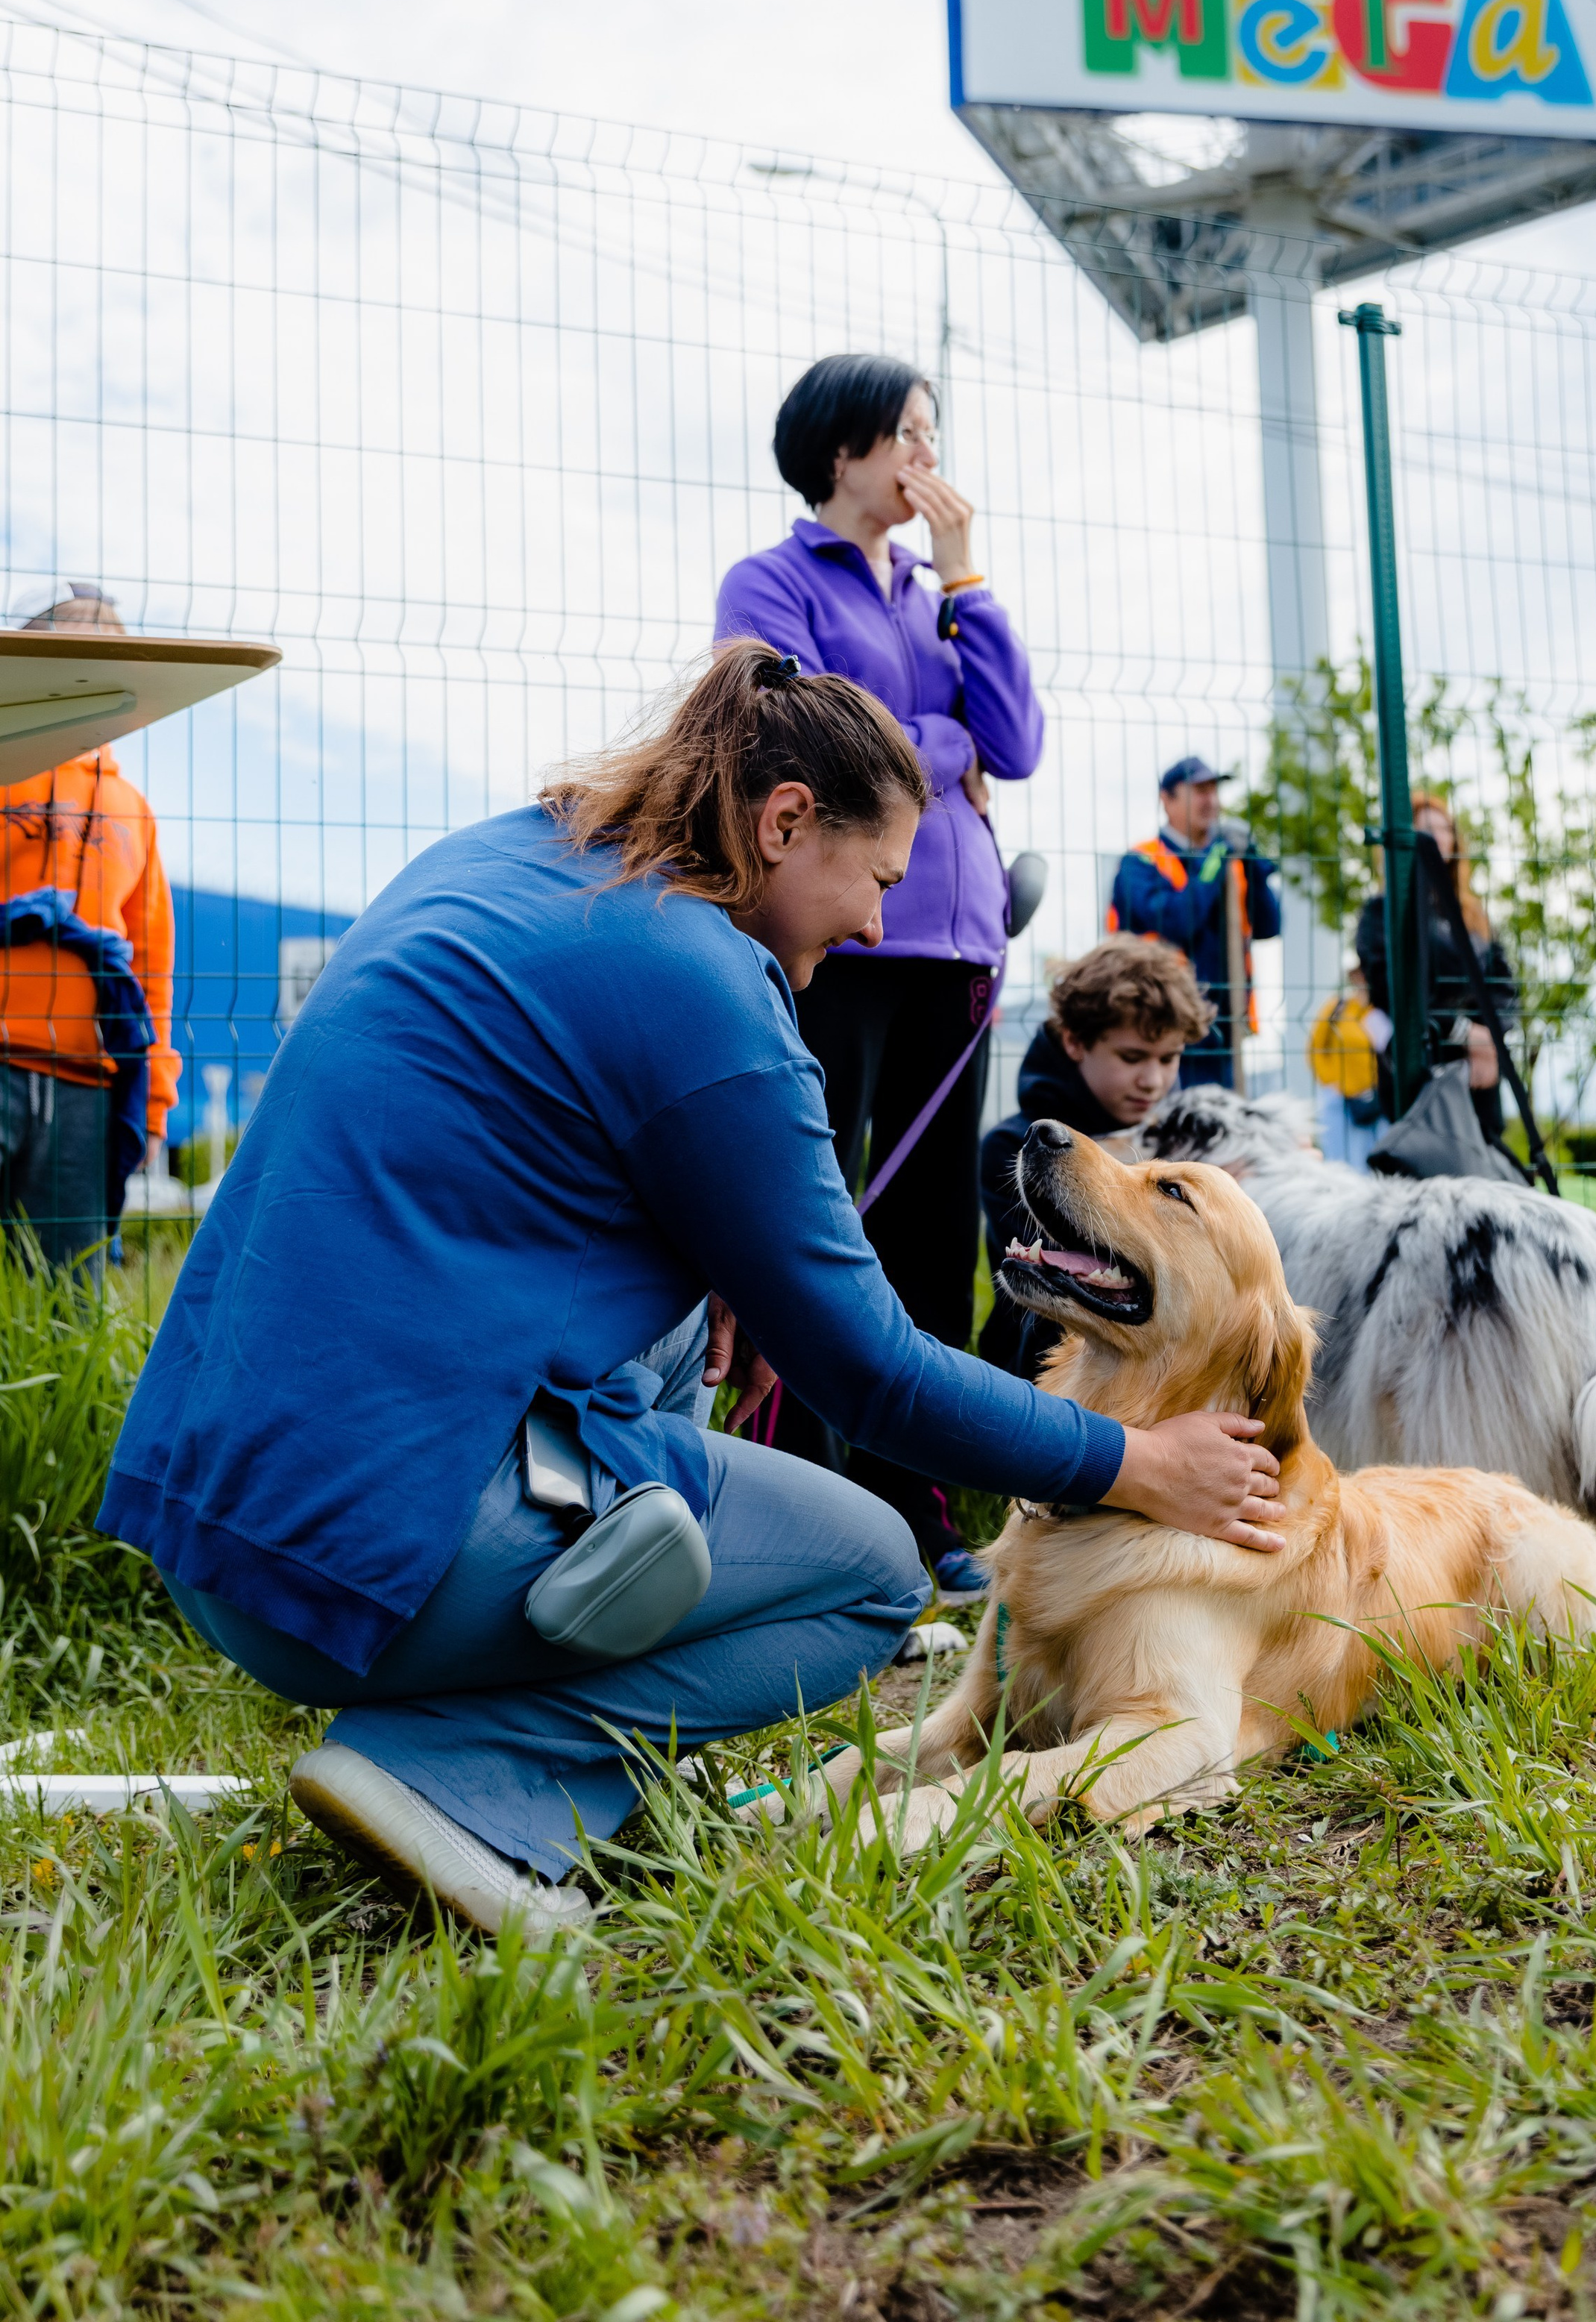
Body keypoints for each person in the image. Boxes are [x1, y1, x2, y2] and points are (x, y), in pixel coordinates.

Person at [97, 641, 1285, 1938]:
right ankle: (467, 1778)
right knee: (872, 1575)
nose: (881, 923)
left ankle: (470, 1702)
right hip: (367, 1559)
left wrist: (706, 1271)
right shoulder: (708, 984)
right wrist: (1130, 1462)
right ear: (785, 824)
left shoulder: (508, 857)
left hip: (220, 1522)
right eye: (878, 877)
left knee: (685, 1328)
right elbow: (874, 1372)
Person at [714, 355, 1041, 1604]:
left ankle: (921, 1517)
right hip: (838, 939)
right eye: (906, 434)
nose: (927, 458)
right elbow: (800, 731)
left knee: (925, 1239)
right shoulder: (772, 582)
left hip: (956, 944)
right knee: (815, 1216)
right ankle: (800, 1511)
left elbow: (1015, 741)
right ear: (841, 452)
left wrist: (970, 586)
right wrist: (940, 749)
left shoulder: (943, 597)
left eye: (933, 435)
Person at [0, 583, 180, 1278]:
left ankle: (56, 1395)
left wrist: (156, 1098)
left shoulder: (132, 808)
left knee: (66, 1301)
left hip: (88, 1089)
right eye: (68, 651)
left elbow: (152, 966)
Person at [979, 935, 1212, 1381]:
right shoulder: (1015, 1147)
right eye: (1132, 1057)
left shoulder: (1179, 1145)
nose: (1153, 1080)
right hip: (1040, 1373)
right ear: (1074, 1041)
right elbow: (1055, 1291)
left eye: (1170, 1058)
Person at [1354, 791, 1517, 1146]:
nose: (1439, 837)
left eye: (1445, 829)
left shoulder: (1474, 915)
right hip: (1421, 1067)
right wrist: (1462, 1031)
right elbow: (1391, 993)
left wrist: (1491, 1042)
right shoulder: (1381, 912)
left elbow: (1503, 985)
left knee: (1490, 1160)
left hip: (1479, 1067)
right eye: (1427, 829)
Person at [1106, 756, 1279, 1087]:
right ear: (1167, 800)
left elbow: (1269, 926)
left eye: (1214, 790)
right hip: (1160, 1032)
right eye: (1199, 790)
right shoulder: (1139, 863)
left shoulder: (1227, 859)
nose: (1211, 801)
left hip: (1225, 1028)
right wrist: (1215, 857)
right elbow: (1178, 921)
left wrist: (1253, 861)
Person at [1309, 961, 1384, 1171]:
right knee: (1342, 1161)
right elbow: (1315, 1047)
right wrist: (1329, 1080)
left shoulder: (1378, 1012)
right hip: (1340, 1098)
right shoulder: (1337, 1009)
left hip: (1375, 1098)